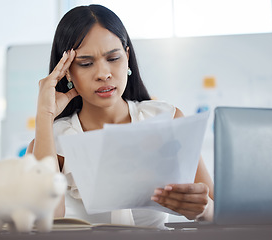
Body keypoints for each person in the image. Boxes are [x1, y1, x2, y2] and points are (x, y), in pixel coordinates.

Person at [27, 4, 214, 229]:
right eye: (86, 63)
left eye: (113, 58)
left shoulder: (167, 119)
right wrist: (44, 115)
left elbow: (221, 214)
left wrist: (203, 209)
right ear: (66, 71)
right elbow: (44, 221)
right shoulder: (52, 140)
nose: (104, 74)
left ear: (127, 57)